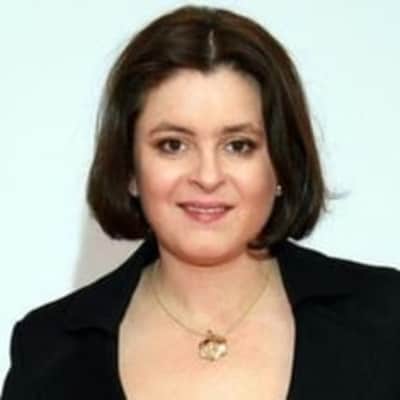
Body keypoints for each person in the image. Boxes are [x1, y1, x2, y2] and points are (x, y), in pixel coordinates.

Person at [2, 5, 400, 400]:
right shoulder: (49, 351)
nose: (208, 177)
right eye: (173, 145)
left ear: (281, 162)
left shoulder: (386, 319)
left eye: (238, 145)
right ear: (130, 168)